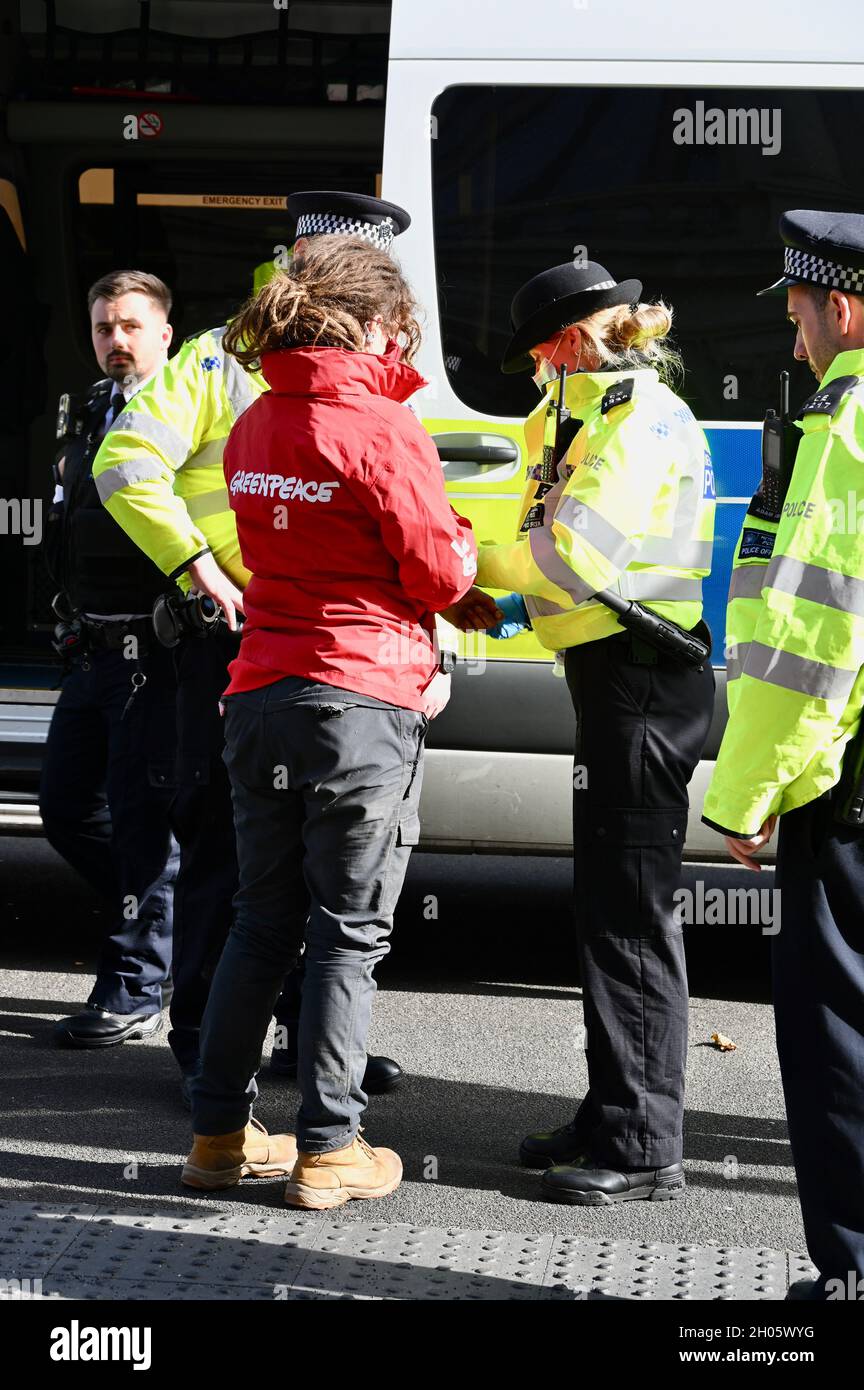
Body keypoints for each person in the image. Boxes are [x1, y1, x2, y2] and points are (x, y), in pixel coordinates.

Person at [91, 192, 411, 1103]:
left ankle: (310, 1047)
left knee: (318, 863)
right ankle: (202, 1046)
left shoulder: (360, 354)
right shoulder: (225, 354)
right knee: (230, 853)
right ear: (318, 262)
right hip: (235, 634)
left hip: (323, 640)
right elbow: (124, 463)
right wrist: (198, 567)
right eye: (366, 276)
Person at [180, 236, 477, 1204]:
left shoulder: (260, 416)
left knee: (260, 919)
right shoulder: (382, 426)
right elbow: (438, 572)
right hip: (359, 696)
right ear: (378, 320)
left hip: (261, 689)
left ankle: (219, 1134)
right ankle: (331, 1148)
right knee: (347, 935)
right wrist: (464, 557)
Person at [454, 259, 716, 1204]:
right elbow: (582, 564)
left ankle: (643, 1145)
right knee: (608, 907)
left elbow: (572, 550)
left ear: (565, 345)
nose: (530, 374)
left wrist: (460, 562)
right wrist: (520, 611)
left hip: (642, 683)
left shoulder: (632, 419)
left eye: (535, 356)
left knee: (629, 920)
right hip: (620, 674)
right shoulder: (594, 412)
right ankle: (615, 1110)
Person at [703, 210, 864, 1300]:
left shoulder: (844, 426)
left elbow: (813, 641)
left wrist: (745, 797)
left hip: (846, 794)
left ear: (843, 309)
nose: (796, 335)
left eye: (802, 311)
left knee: (838, 1038)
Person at [40, 270, 179, 1047]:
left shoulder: (185, 410)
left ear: (164, 332)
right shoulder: (91, 411)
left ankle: (135, 986)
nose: (116, 341)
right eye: (103, 328)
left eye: (130, 326)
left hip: (151, 649)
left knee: (141, 823)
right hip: (92, 648)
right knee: (65, 810)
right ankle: (169, 920)